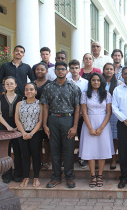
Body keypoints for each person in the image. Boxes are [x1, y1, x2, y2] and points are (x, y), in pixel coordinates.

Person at [41, 61, 81, 189]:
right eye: (58, 69)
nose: (61, 71)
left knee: (69, 150)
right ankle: (56, 177)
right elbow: (45, 107)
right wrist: (44, 125)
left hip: (67, 120)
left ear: (67, 71)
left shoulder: (73, 87)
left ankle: (69, 177)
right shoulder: (48, 87)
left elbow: (77, 108)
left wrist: (75, 126)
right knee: (55, 149)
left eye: (63, 69)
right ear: (55, 71)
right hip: (52, 120)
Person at [79, 72, 114, 188]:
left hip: (103, 124)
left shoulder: (106, 94)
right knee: (90, 151)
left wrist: (101, 128)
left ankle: (100, 175)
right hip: (89, 124)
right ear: (90, 82)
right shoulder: (84, 94)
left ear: (101, 82)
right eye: (93, 80)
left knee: (102, 150)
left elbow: (109, 112)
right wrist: (90, 128)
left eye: (98, 80)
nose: (96, 82)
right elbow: (83, 112)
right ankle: (93, 175)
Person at [0, 76, 23, 183]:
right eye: (7, 84)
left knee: (17, 151)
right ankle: (6, 174)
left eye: (11, 83)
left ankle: (17, 174)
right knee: (5, 152)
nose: (9, 86)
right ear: (4, 86)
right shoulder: (0, 98)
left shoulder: (20, 98)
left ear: (15, 85)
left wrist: (16, 127)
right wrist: (8, 127)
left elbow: (21, 114)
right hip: (3, 127)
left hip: (17, 128)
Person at [15, 83, 43, 187]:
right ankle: (25, 178)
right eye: (27, 90)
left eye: (31, 89)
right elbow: (17, 119)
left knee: (36, 155)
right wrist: (23, 132)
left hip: (35, 133)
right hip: (22, 133)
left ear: (36, 91)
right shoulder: (19, 104)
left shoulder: (40, 104)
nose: (29, 91)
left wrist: (31, 133)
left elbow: (40, 121)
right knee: (25, 156)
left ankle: (36, 177)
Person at [68, 59, 89, 169]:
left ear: (79, 68)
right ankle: (68, 158)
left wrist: (82, 110)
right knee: (68, 136)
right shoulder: (66, 81)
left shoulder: (85, 83)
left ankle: (82, 158)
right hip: (68, 113)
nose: (74, 70)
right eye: (72, 68)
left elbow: (86, 98)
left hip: (81, 113)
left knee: (82, 136)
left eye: (76, 68)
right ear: (69, 69)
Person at [103, 63, 123, 170]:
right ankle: (101, 157)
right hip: (102, 113)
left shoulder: (119, 83)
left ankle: (113, 159)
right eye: (107, 69)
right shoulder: (99, 82)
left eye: (111, 69)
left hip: (114, 114)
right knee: (103, 136)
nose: (109, 71)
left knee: (114, 138)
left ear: (114, 71)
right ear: (104, 70)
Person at [33, 62, 51, 170]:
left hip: (47, 115)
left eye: (42, 69)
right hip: (34, 115)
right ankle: (38, 160)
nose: (39, 71)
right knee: (37, 139)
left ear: (46, 71)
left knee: (47, 139)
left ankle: (46, 160)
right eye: (37, 69)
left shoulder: (50, 84)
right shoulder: (31, 84)